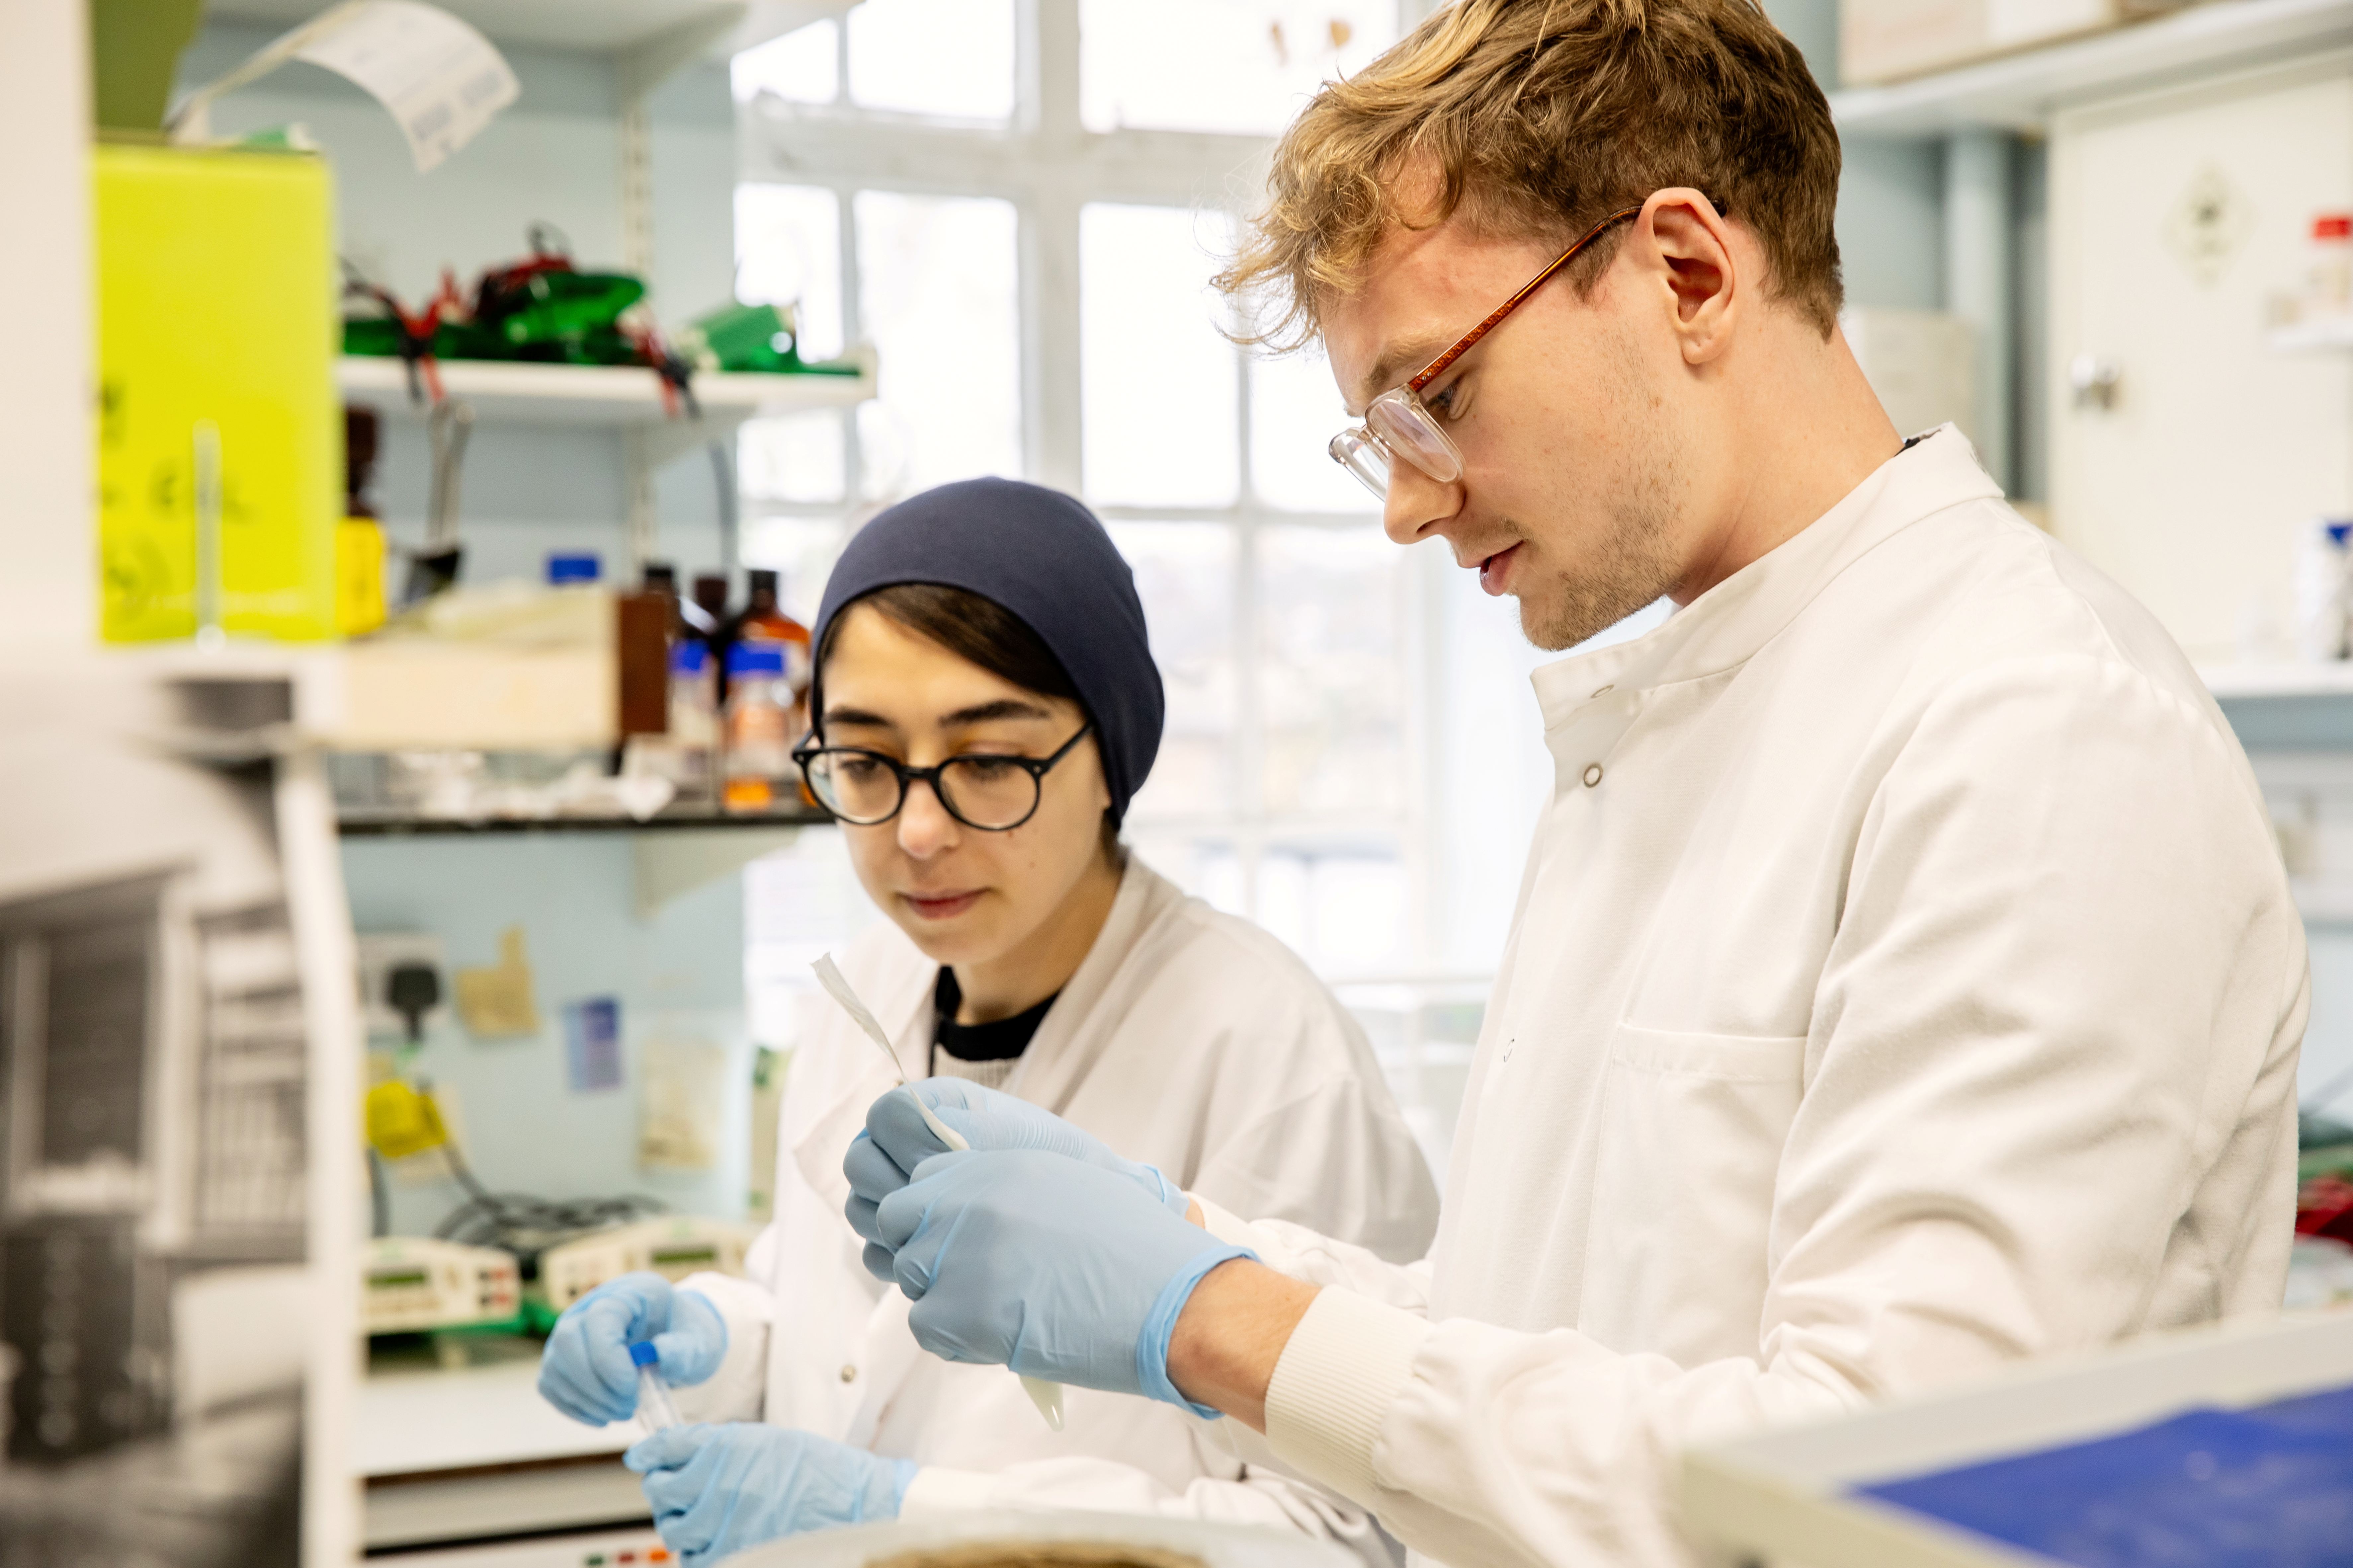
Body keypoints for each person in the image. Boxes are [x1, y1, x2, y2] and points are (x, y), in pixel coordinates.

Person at [839, 5, 2310, 1566]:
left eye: (1436, 398)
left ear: (1685, 272)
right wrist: (1183, 1241)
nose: (1404, 506)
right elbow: (1536, 1335)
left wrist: (1211, 1318)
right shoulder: (1670, 719)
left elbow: (1877, 1479)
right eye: (1375, 438)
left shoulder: (2028, 725)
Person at [536, 478, 1439, 1566]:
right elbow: (837, 1330)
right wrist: (717, 1342)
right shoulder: (869, 986)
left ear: (1113, 754)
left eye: (988, 763)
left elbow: (1348, 1534)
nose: (916, 830)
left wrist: (909, 1512)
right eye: (865, 763)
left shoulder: (1267, 1051)